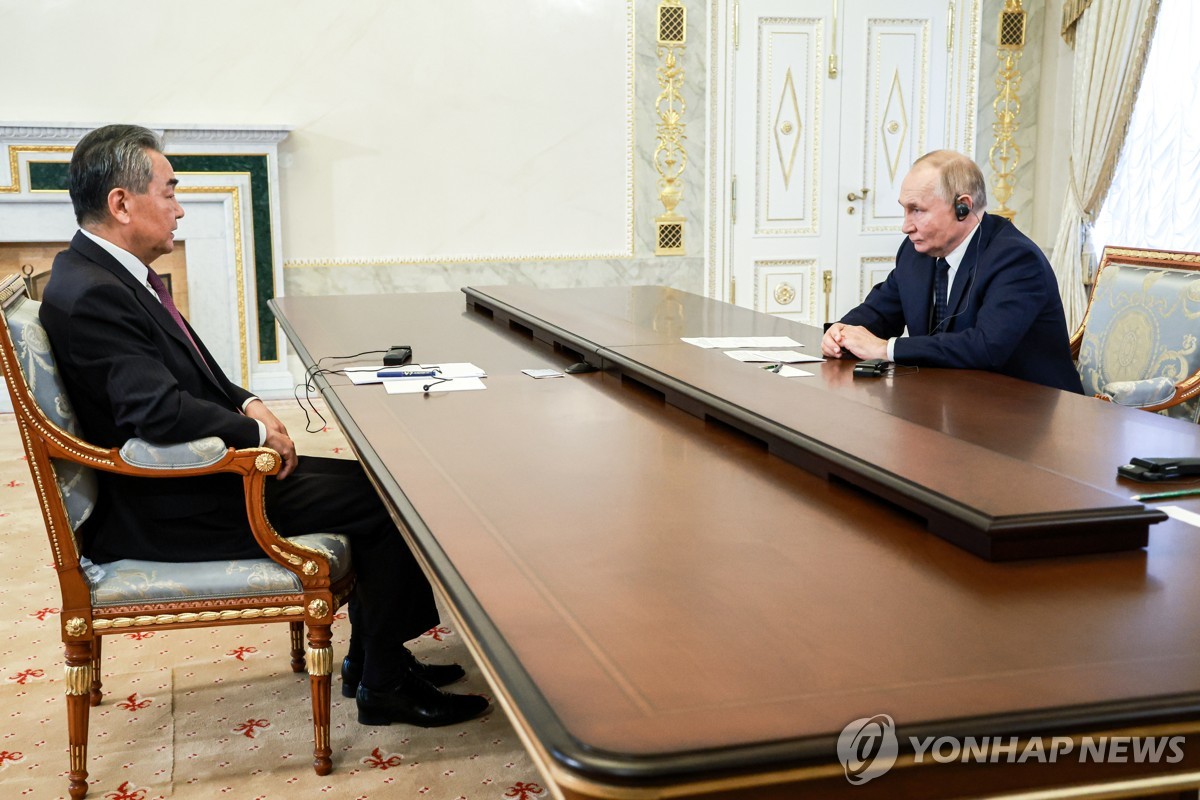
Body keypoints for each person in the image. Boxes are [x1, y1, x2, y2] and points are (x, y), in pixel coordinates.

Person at [39, 124, 489, 729]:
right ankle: (383, 682)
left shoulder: (105, 274)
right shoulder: (95, 293)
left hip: (185, 480)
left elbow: (194, 376)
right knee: (393, 497)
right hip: (170, 502)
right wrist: (253, 439)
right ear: (121, 204)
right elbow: (158, 412)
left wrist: (249, 403)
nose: (178, 209)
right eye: (169, 192)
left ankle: (371, 659)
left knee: (381, 483)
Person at [821, 150, 1084, 393]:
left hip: (1029, 410)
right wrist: (843, 332)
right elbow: (881, 310)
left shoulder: (1016, 259)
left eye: (917, 210)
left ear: (963, 207)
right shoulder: (916, 251)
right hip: (951, 398)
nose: (905, 226)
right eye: (904, 209)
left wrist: (884, 348)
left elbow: (986, 347)